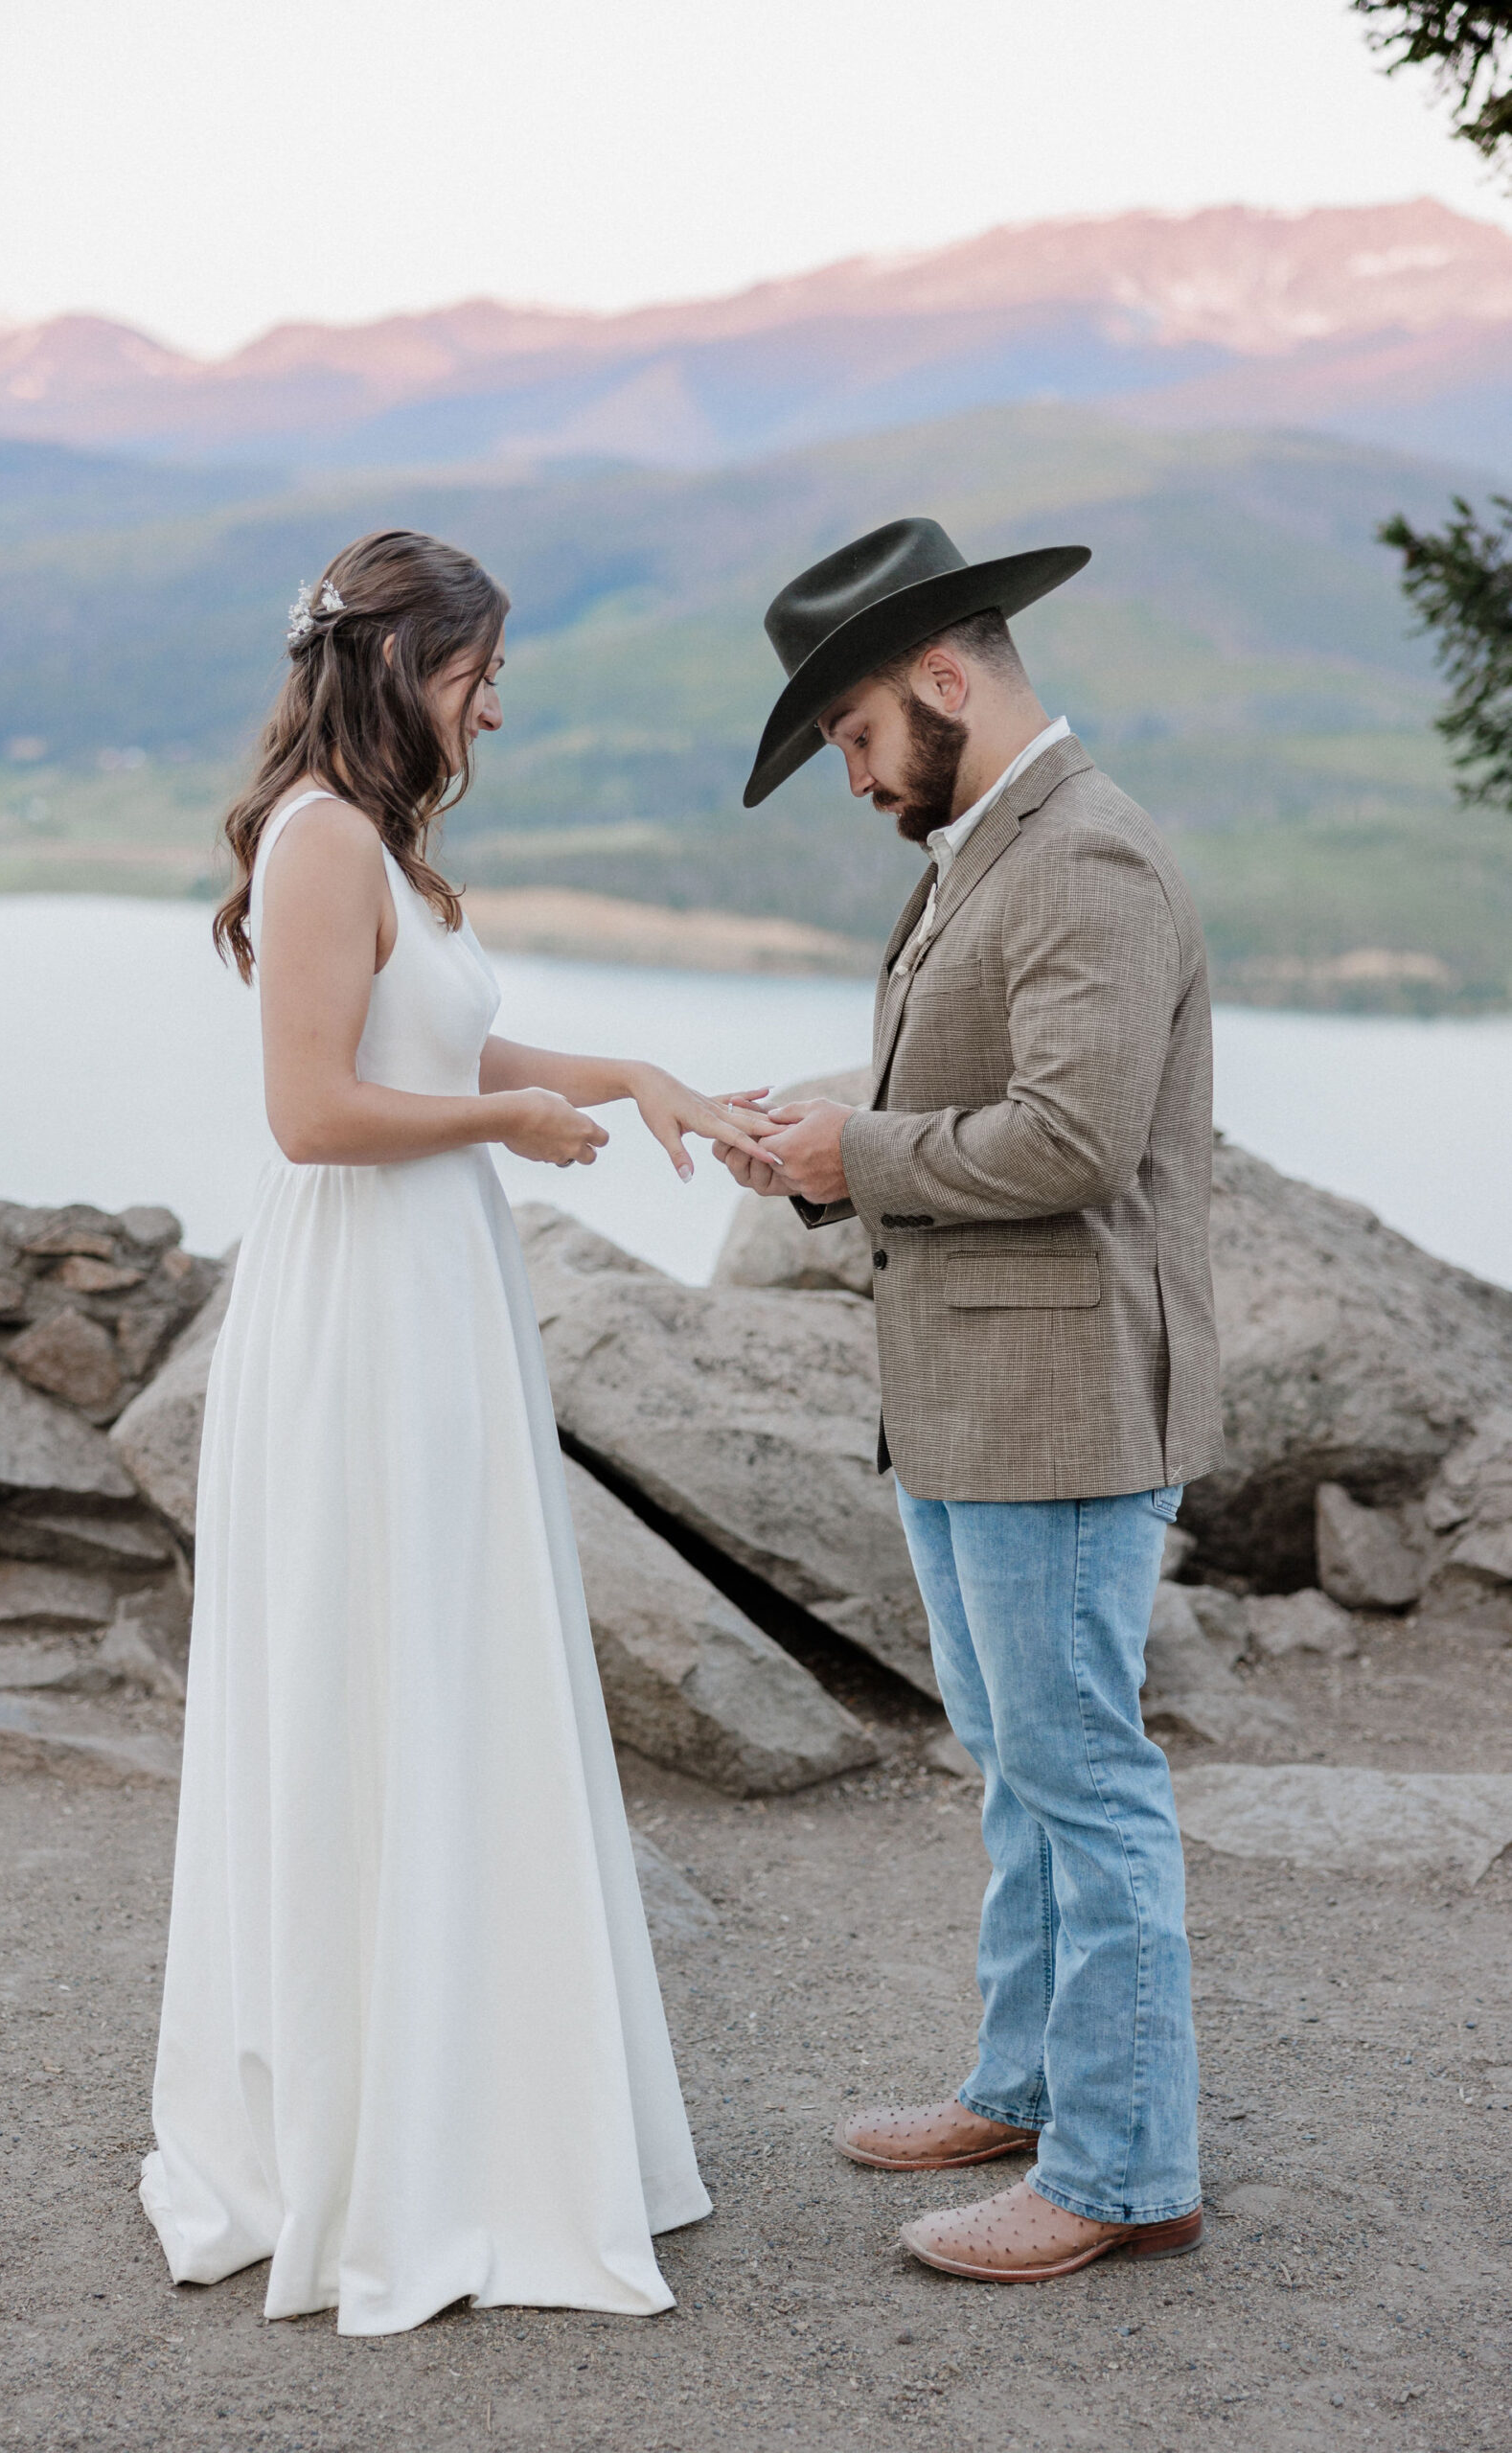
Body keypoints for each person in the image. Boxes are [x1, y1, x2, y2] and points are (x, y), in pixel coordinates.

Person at [139, 527, 778, 2333]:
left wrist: (625, 1079)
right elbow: (315, 1114)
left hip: (435, 1299)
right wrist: (506, 1142)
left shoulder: (385, 845)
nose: (496, 697)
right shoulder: (325, 836)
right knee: (390, 1675)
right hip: (364, 1307)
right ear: (400, 664)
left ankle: (480, 2115)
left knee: (457, 1669)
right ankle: (388, 2143)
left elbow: (448, 1053)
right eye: (478, 666)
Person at [719, 517, 1223, 2284]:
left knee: (1082, 1778)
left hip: (1063, 1407)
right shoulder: (990, 845)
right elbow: (993, 1091)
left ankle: (1120, 2169)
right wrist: (828, 1134)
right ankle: (1024, 2088)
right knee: (1020, 1767)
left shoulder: (1083, 858)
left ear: (943, 677)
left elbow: (1077, 1138)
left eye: (855, 737)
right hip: (974, 1400)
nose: (857, 779)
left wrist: (857, 1152)